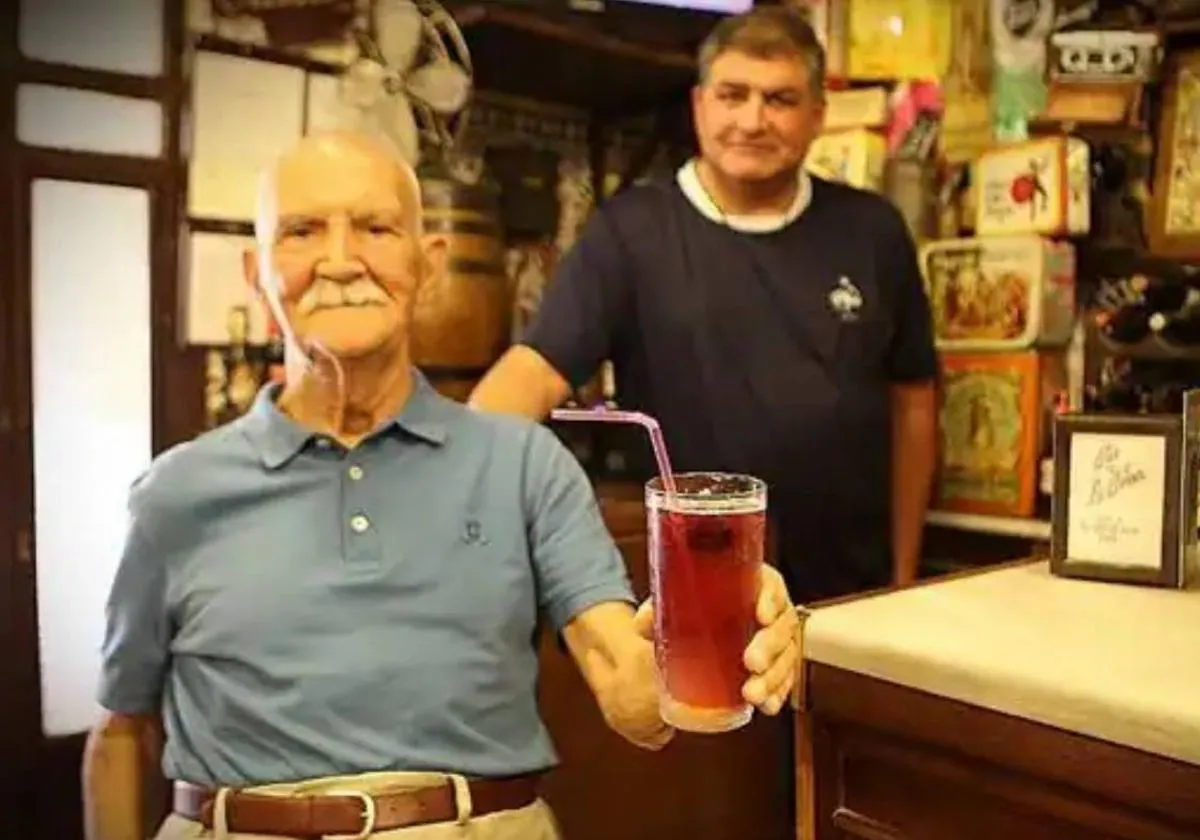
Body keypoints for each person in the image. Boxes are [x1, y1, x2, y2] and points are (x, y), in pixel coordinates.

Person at [82, 131, 801, 840]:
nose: (340, 261)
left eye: (375, 227)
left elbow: (632, 694)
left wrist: (724, 649)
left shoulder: (525, 462)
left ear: (429, 263)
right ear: (257, 270)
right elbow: (119, 733)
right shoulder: (175, 492)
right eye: (302, 231)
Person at [469, 6, 939, 604]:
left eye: (780, 99)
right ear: (699, 107)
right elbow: (531, 374)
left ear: (818, 114)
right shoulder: (631, 232)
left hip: (848, 602)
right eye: (733, 95)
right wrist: (449, 486)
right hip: (695, 601)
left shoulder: (874, 231)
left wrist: (904, 579)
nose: (752, 119)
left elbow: (914, 404)